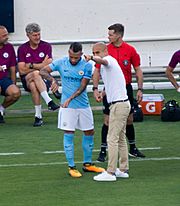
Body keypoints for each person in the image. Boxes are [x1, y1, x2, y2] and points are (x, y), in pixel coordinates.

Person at [39, 42, 105, 178]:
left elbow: (82, 86)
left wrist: (70, 98)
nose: (73, 60)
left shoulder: (87, 65)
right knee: (69, 133)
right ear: (68, 53)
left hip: (83, 105)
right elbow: (42, 71)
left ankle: (88, 164)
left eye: (76, 57)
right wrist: (53, 80)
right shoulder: (62, 62)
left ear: (81, 54)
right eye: (71, 57)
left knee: (89, 132)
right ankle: (71, 166)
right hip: (67, 108)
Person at [95, 23, 145, 161]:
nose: (108, 36)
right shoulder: (105, 50)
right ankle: (103, 150)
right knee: (107, 121)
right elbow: (97, 70)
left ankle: (133, 148)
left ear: (118, 35)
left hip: (126, 88)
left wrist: (140, 89)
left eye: (110, 34)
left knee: (129, 120)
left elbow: (138, 70)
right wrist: (96, 89)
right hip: (110, 89)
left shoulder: (130, 50)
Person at [85, 42, 131, 181]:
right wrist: (102, 93)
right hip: (121, 104)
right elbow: (112, 83)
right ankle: (122, 169)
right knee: (121, 138)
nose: (95, 55)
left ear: (105, 51)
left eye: (97, 52)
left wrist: (92, 58)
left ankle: (110, 172)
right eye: (94, 53)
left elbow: (102, 60)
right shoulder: (108, 67)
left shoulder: (109, 60)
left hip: (119, 106)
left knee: (112, 138)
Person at [17, 23, 59, 127]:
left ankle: (38, 116)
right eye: (35, 35)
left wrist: (30, 65)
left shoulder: (46, 46)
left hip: (44, 79)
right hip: (26, 78)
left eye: (39, 34)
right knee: (36, 74)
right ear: (28, 35)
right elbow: (22, 70)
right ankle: (49, 101)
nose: (38, 37)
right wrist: (41, 65)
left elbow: (48, 66)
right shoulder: (22, 48)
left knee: (34, 85)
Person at [0, 25, 21, 123]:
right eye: (4, 36)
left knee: (15, 93)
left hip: (4, 79)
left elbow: (12, 67)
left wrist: (13, 83)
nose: (7, 37)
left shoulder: (9, 47)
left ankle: (1, 109)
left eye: (7, 34)